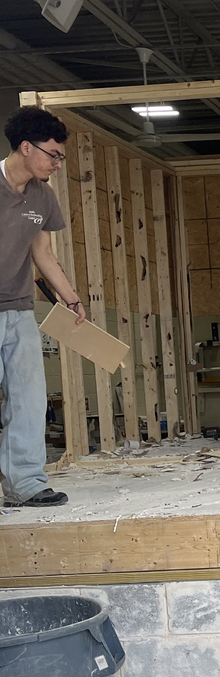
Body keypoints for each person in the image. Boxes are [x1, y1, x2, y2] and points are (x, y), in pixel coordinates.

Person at [1, 106, 86, 506]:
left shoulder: (42, 196)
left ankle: (26, 485)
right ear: (24, 147)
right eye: (52, 154)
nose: (57, 163)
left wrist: (70, 298)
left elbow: (44, 254)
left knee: (29, 400)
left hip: (18, 309)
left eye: (60, 156)